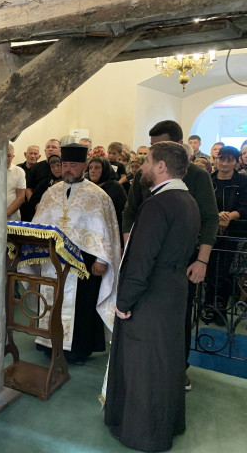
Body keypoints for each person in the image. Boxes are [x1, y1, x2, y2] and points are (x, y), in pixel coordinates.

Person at [105, 141, 200, 452]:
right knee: (166, 360)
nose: (142, 167)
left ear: (161, 166)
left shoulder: (157, 204)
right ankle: (169, 424)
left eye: (147, 161)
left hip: (151, 295)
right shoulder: (187, 200)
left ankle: (144, 433)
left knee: (144, 364)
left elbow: (141, 258)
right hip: (173, 291)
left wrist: (124, 301)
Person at [122, 120, 218, 391]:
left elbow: (210, 218)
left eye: (160, 145)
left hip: (180, 260)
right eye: (152, 146)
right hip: (145, 257)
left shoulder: (196, 177)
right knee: (142, 314)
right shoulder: (145, 175)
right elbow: (130, 212)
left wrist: (202, 260)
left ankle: (178, 369)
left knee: (176, 318)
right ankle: (144, 367)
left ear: (177, 145)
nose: (153, 152)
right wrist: (131, 246)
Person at [34, 144, 120, 363]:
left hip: (84, 262)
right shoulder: (51, 193)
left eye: (73, 165)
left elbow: (107, 231)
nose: (68, 169)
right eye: (65, 165)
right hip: (53, 261)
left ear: (84, 166)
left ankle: (77, 350)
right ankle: (49, 344)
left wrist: (101, 260)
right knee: (51, 300)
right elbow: (38, 225)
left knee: (82, 306)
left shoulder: (98, 196)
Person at [202, 146, 247, 325]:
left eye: (230, 159)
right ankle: (208, 306)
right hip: (210, 230)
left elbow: (245, 206)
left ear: (236, 162)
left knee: (227, 271)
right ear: (216, 159)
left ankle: (221, 308)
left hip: (234, 231)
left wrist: (229, 216)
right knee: (210, 269)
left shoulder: (243, 181)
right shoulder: (208, 179)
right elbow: (202, 203)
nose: (225, 163)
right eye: (222, 158)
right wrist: (217, 216)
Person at [87, 156, 127, 246]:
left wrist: (121, 243)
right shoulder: (87, 187)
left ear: (105, 170)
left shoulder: (116, 188)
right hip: (89, 236)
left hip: (110, 236)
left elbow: (122, 216)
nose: (92, 171)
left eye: (97, 168)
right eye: (90, 168)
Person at [24, 139, 62, 219]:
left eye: (54, 147)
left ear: (60, 151)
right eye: (48, 147)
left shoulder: (66, 169)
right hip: (38, 209)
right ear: (45, 151)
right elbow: (28, 188)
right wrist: (36, 205)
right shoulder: (36, 167)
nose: (50, 149)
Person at [17, 144, 40, 222]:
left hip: (34, 207)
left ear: (39, 156)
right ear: (25, 154)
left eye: (35, 154)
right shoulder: (18, 168)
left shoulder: (42, 170)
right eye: (30, 153)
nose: (33, 156)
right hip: (19, 206)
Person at [6, 143, 26, 221]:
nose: (5, 158)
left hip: (12, 217)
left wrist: (6, 214)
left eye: (8, 156)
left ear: (13, 156)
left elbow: (20, 197)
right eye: (3, 155)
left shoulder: (19, 171)